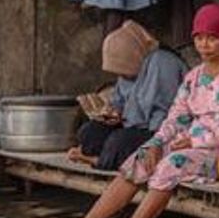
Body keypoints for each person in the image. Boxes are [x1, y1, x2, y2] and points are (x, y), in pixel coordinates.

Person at [68, 3, 219, 218]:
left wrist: (195, 140)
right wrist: (157, 142)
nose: (204, 44)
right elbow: (176, 117)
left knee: (171, 163)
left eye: (212, 38)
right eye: (199, 38)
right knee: (142, 157)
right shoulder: (195, 77)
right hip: (190, 146)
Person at [66, 20, 186, 171]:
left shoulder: (162, 63)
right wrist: (113, 113)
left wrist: (154, 139)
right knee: (89, 132)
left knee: (119, 142)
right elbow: (119, 101)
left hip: (160, 131)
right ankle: (106, 156)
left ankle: (98, 160)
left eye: (123, 70)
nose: (121, 75)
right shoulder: (128, 71)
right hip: (131, 127)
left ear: (133, 55)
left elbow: (165, 112)